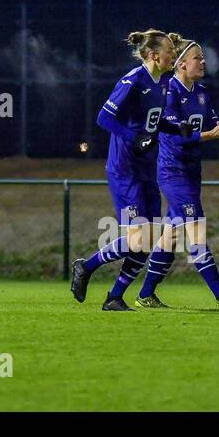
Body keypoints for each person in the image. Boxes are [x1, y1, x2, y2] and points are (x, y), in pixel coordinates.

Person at [133, 34, 219, 309]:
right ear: (181, 64)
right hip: (172, 173)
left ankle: (145, 294)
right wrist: (211, 135)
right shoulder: (167, 92)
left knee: (170, 237)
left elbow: (212, 121)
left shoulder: (202, 93)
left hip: (193, 172)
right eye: (198, 58)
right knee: (196, 229)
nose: (203, 62)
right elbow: (176, 137)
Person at [70, 30, 177, 311]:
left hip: (146, 168)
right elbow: (104, 117)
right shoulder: (133, 80)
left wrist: (181, 129)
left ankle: (114, 297)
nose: (172, 55)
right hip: (124, 169)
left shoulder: (162, 83)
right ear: (154, 55)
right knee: (136, 240)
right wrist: (133, 138)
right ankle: (86, 266)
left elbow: (153, 124)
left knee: (150, 238)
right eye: (168, 50)